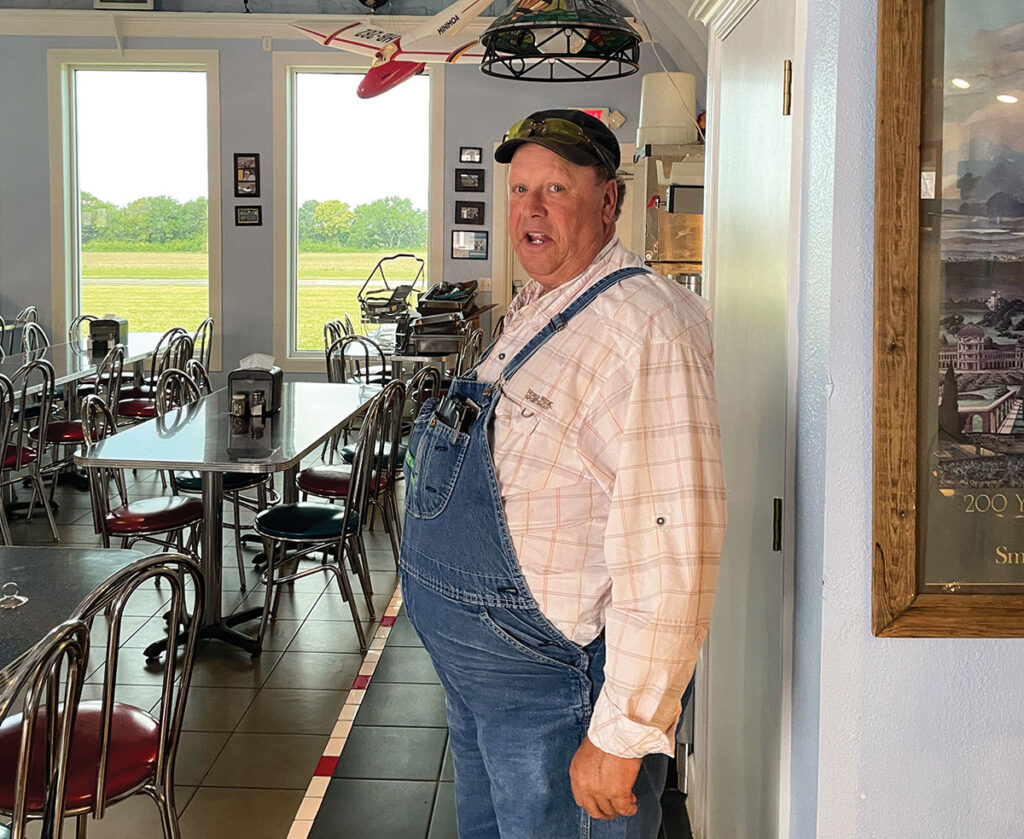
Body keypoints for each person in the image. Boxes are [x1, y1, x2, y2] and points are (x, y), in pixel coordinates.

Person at [399, 108, 725, 838]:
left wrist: (620, 733)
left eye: (556, 188)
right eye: (519, 191)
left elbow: (673, 546)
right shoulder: (541, 307)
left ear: (609, 200)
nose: (531, 210)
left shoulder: (648, 326)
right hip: (486, 686)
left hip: (558, 695)